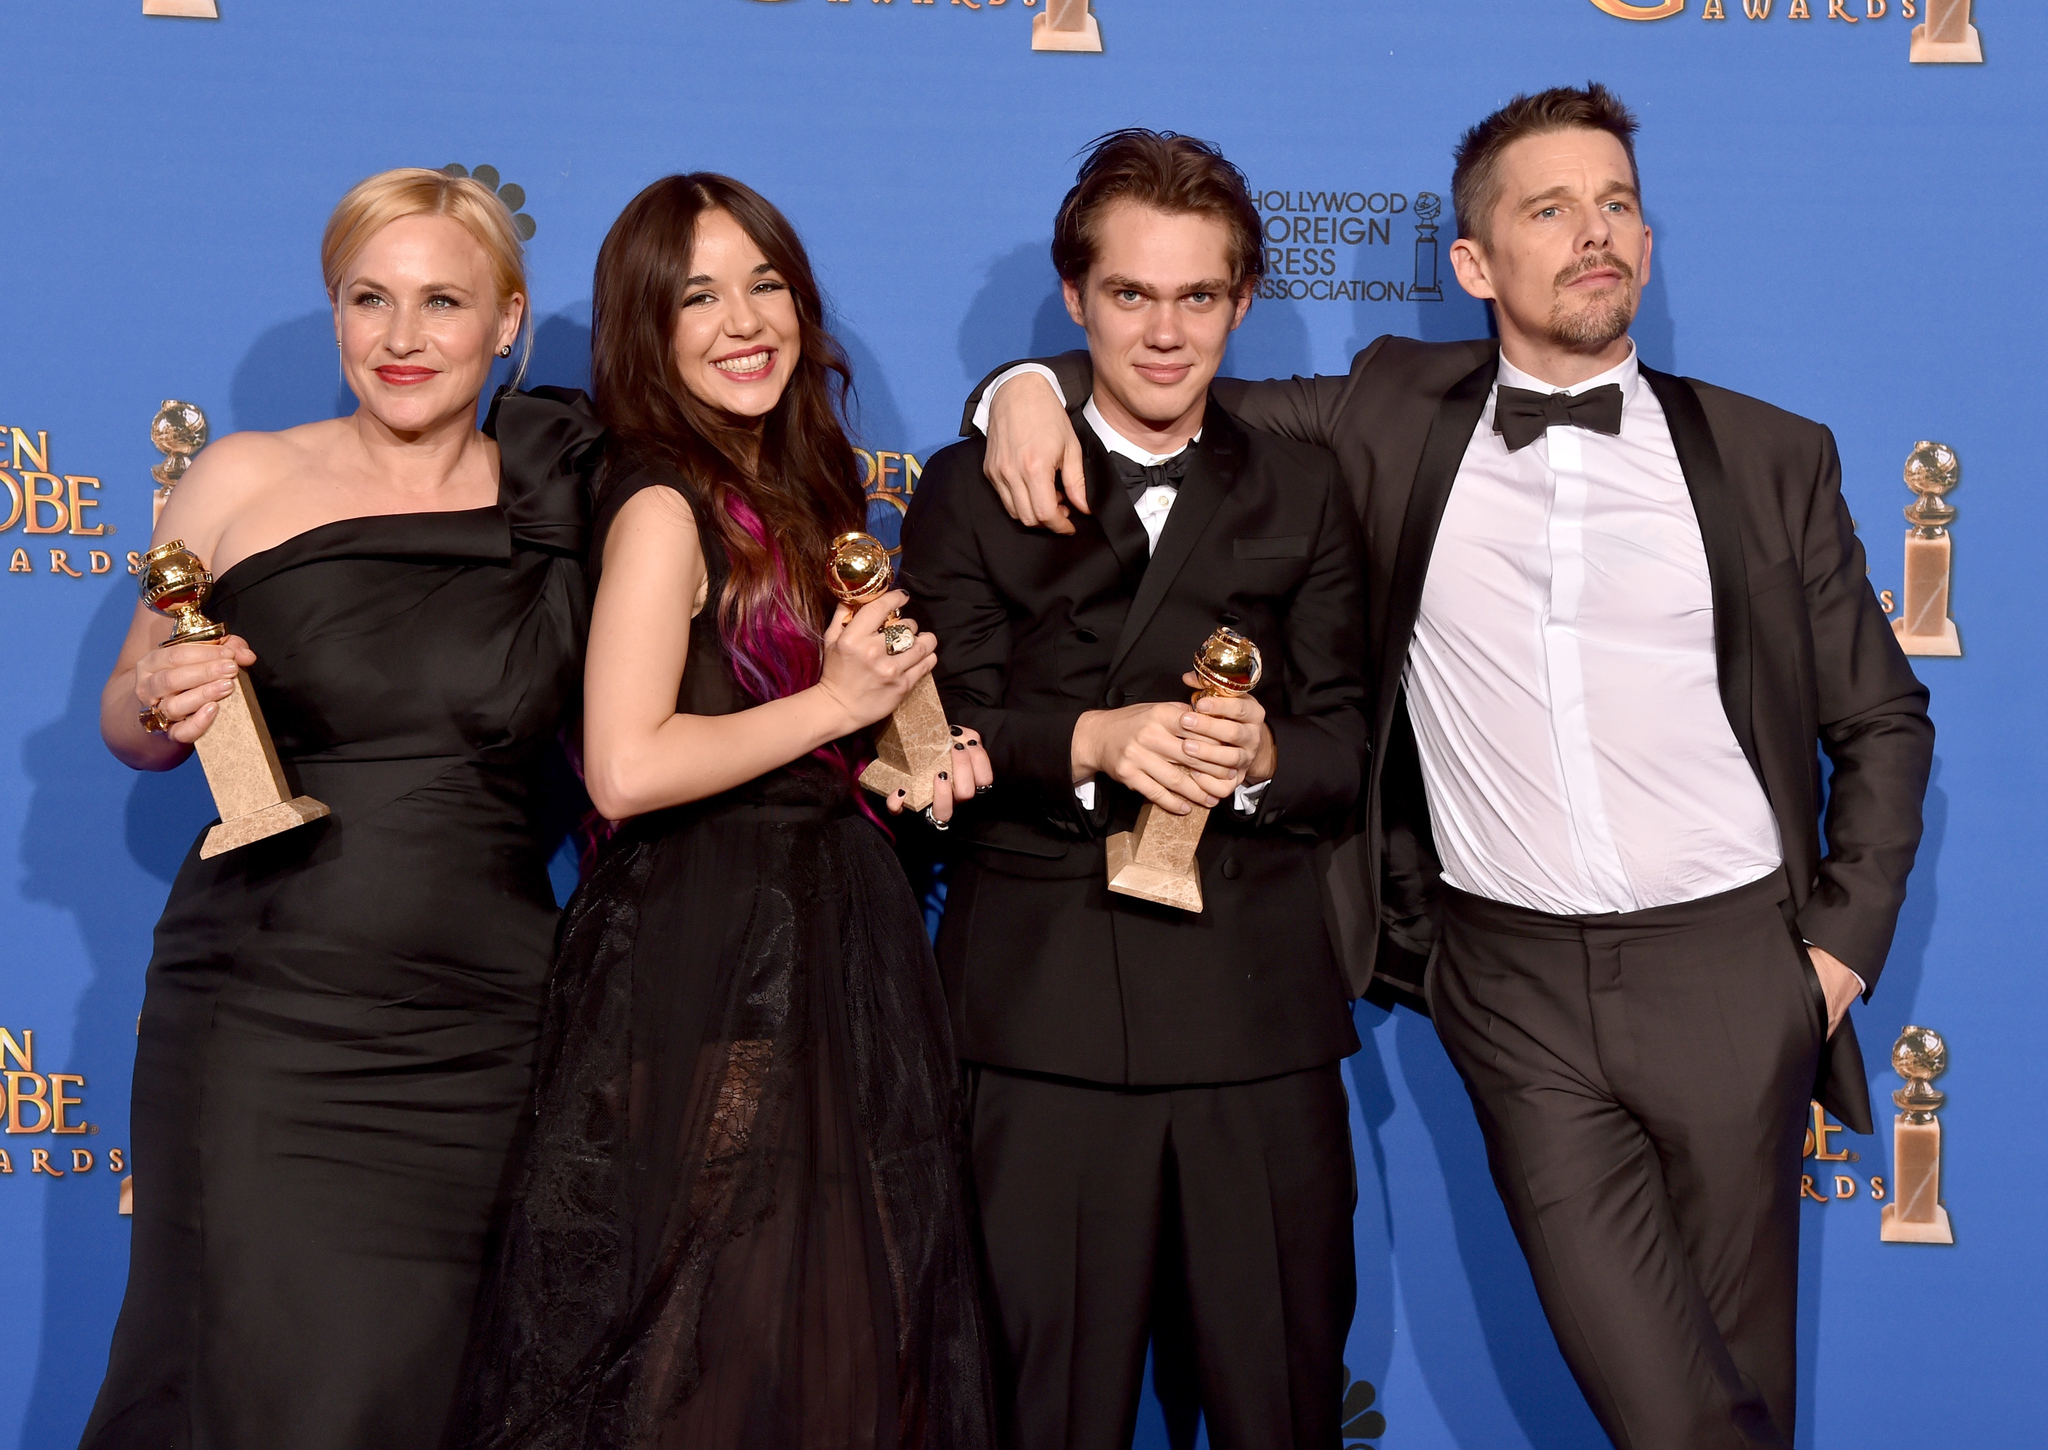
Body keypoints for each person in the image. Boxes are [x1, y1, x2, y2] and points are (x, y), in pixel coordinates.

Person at [964, 87, 1933, 1450]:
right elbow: (1164, 377)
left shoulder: (1771, 456)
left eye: (1615, 205)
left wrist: (1829, 957)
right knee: (1666, 1397)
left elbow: (1884, 721)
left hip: (1735, 966)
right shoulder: (1388, 414)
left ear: (1646, 245)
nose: (1594, 235)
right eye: (1549, 209)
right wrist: (1016, 386)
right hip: (1513, 984)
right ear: (1474, 266)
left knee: (1735, 1394)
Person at [452, 174, 996, 1450]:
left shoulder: (799, 484)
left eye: (764, 283)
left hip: (822, 948)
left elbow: (779, 740)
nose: (743, 318)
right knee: (709, 1358)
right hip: (708, 960)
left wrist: (901, 763)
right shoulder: (659, 502)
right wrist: (835, 705)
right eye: (697, 294)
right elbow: (626, 766)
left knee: (827, 1361)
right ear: (647, 328)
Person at [86, 169, 590, 1449]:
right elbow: (128, 726)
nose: (403, 338)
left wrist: (1022, 391)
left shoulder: (570, 492)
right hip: (265, 1012)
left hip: (485, 1028)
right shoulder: (240, 482)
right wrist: (161, 688)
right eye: (370, 300)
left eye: (441, 302)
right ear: (335, 315)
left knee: (431, 1392)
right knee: (266, 1382)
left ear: (508, 320)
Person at [900, 131, 1367, 1450]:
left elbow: (1350, 744)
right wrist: (1095, 740)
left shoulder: (1306, 484)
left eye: (1198, 298)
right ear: (1075, 301)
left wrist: (1262, 756)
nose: (1165, 334)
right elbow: (949, 726)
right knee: (1040, 1415)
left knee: (1280, 1408)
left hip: (1257, 1025)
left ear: (1243, 303)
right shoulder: (971, 483)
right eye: (1130, 295)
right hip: (1040, 1016)